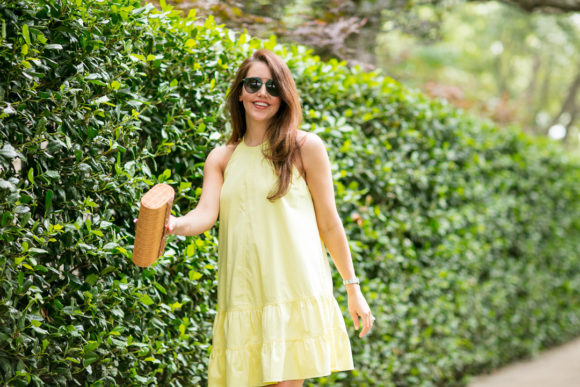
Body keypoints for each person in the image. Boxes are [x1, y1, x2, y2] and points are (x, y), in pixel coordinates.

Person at [166, 49, 374, 387]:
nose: (262, 93)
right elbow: (205, 214)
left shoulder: (305, 147)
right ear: (240, 92)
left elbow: (330, 223)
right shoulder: (221, 157)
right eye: (254, 84)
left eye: (273, 86)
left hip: (291, 291)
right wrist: (174, 225)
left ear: (284, 96)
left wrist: (353, 289)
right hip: (243, 296)